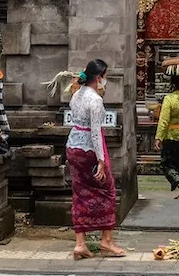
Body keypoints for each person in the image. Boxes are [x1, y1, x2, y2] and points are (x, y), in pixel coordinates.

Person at [65, 59, 125, 260]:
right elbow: (96, 133)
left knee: (80, 192)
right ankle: (106, 240)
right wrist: (101, 161)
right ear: (98, 78)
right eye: (105, 77)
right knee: (107, 190)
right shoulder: (95, 101)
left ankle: (80, 244)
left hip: (72, 147)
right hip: (88, 151)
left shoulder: (76, 94)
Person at [154, 72, 179, 199]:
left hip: (171, 136)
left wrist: (158, 137)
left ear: (172, 84)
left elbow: (163, 120)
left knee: (167, 164)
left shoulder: (169, 99)